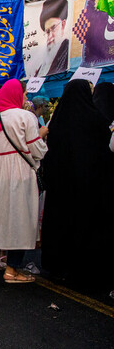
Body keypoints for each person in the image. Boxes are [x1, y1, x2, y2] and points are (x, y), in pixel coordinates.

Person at [42, 79, 114, 286]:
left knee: (60, 223)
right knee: (84, 225)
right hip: (87, 188)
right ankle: (83, 268)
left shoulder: (57, 122)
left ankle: (56, 265)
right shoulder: (97, 120)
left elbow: (50, 154)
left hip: (59, 188)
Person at [0, 79, 48, 284]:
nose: (25, 97)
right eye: (24, 94)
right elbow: (37, 150)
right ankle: (12, 270)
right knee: (20, 218)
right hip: (19, 173)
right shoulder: (25, 116)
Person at [34, 0, 70, 77]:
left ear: (63, 25)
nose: (50, 36)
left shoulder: (67, 50)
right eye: (47, 32)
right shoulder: (42, 65)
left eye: (53, 28)